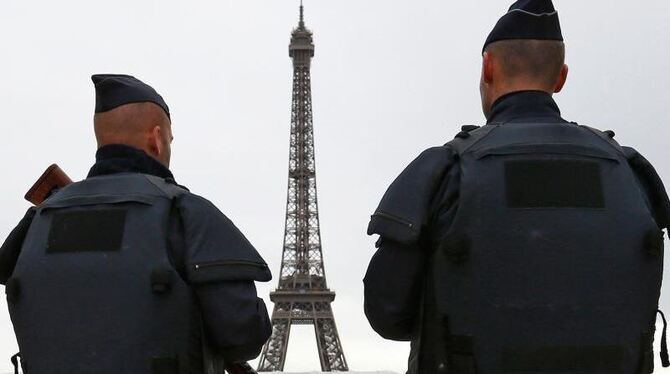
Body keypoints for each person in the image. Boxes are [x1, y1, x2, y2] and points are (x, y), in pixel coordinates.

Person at [364, 1, 670, 373]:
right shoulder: (634, 174)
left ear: (488, 67)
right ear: (561, 78)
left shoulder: (443, 173)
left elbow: (387, 313)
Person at [0, 74, 272, 374]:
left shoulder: (36, 223)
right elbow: (244, 336)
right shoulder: (185, 214)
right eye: (169, 139)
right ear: (156, 139)